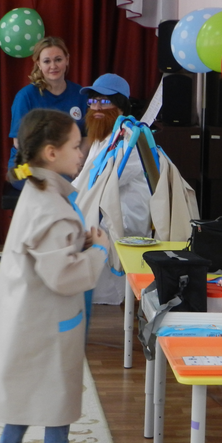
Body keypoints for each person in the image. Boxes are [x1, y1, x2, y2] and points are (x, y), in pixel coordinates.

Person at [0, 108, 110, 443]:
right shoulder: (54, 209)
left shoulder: (36, 191)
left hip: (26, 313)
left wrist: (77, 244)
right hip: (48, 319)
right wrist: (99, 250)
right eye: (76, 146)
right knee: (57, 390)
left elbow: (47, 252)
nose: (82, 153)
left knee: (28, 386)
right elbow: (64, 276)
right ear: (51, 153)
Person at [73, 73, 152, 305]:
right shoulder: (103, 135)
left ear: (120, 106)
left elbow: (101, 183)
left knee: (75, 227)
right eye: (93, 101)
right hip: (102, 207)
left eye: (105, 101)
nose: (97, 107)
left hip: (122, 217)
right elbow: (84, 180)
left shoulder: (130, 139)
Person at [8, 37, 89, 174]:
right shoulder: (25, 96)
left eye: (58, 59)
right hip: (26, 165)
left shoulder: (81, 94)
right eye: (47, 61)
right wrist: (52, 168)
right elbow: (19, 142)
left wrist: (77, 165)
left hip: (67, 164)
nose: (53, 66)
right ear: (38, 64)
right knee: (51, 182)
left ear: (67, 60)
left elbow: (86, 137)